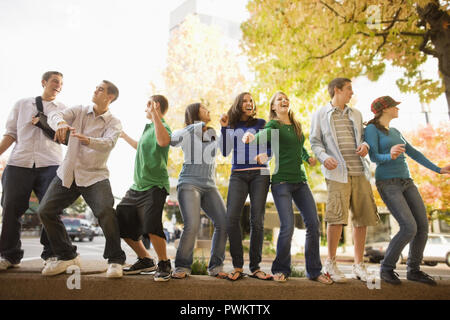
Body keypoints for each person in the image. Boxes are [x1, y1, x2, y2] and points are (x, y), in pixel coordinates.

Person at [37, 80, 126, 278]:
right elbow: (54, 114)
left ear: (109, 97)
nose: (95, 90)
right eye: (96, 87)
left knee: (105, 211)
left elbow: (109, 143)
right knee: (45, 211)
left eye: (100, 89)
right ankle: (67, 255)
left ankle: (115, 260)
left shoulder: (114, 122)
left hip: (95, 175)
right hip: (68, 173)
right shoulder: (78, 110)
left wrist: (88, 140)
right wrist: (59, 122)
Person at [244, 92, 333, 284]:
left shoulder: (296, 125)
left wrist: (307, 157)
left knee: (313, 224)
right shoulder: (273, 125)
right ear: (274, 107)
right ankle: (281, 269)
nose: (284, 101)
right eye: (279, 100)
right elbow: (263, 135)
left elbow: (299, 147)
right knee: (288, 226)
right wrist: (252, 137)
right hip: (281, 181)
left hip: (300, 181)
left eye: (286, 99)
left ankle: (314, 271)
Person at [364, 96, 450, 286]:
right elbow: (374, 156)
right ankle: (386, 269)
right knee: (409, 227)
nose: (398, 109)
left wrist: (438, 169)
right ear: (385, 109)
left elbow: (414, 153)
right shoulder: (371, 129)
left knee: (422, 226)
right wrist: (390, 154)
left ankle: (414, 270)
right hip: (388, 182)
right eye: (394, 106)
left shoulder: (395, 131)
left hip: (407, 181)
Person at [310, 78, 379, 283]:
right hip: (337, 173)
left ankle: (359, 266)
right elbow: (315, 142)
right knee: (336, 217)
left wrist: (365, 145)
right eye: (348, 88)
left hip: (359, 171)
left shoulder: (356, 114)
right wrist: (324, 157)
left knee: (362, 218)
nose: (352, 92)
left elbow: (365, 137)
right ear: (337, 90)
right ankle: (330, 264)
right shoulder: (321, 113)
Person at [0, 71, 66, 271]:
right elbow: (11, 134)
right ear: (44, 82)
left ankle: (52, 254)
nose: (58, 85)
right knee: (10, 208)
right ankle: (9, 256)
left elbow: (65, 138)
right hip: (19, 162)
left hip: (51, 163)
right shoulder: (22, 104)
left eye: (61, 83)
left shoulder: (63, 109)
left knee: (50, 210)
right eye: (55, 81)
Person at [117, 95, 172, 281]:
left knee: (151, 224)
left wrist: (156, 114)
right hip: (137, 186)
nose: (145, 108)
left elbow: (164, 142)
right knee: (121, 219)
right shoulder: (148, 129)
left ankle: (164, 263)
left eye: (148, 105)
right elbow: (140, 147)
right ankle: (146, 259)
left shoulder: (162, 126)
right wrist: (124, 136)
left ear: (155, 105)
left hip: (155, 185)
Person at [170, 103, 228, 280]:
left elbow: (224, 151)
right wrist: (196, 126)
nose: (208, 109)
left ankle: (216, 266)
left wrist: (224, 129)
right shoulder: (187, 133)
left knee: (224, 223)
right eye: (204, 108)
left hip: (209, 185)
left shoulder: (211, 134)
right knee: (192, 225)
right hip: (189, 183)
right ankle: (182, 266)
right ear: (195, 113)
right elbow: (172, 140)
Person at [220, 92, 272, 281]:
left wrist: (263, 156)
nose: (249, 103)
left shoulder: (262, 123)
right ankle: (238, 266)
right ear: (238, 105)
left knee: (257, 220)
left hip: (260, 174)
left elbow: (270, 149)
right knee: (231, 218)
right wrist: (224, 128)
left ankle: (256, 267)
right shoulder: (232, 125)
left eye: (251, 100)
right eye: (244, 101)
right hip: (238, 175)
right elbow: (225, 152)